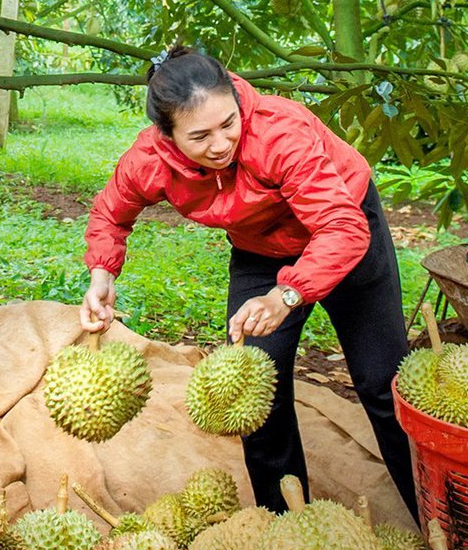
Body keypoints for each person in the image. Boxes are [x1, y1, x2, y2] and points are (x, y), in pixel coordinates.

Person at [78, 46, 417, 514]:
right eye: (199, 136)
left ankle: (441, 518)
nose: (220, 144)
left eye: (228, 124)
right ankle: (286, 528)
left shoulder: (280, 131)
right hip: (261, 248)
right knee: (257, 388)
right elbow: (110, 214)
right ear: (166, 135)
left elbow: (340, 228)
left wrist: (288, 295)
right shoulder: (148, 161)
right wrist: (101, 273)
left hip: (345, 228)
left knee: (384, 384)